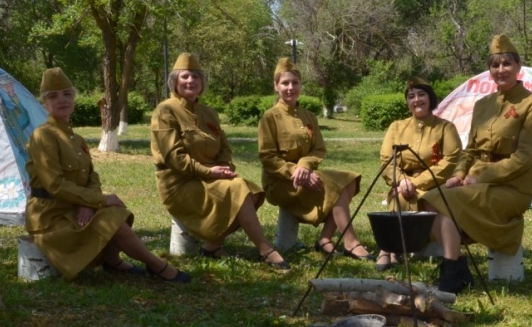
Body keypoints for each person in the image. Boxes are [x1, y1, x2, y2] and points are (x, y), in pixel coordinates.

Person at [25, 67, 189, 283]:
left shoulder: (76, 139)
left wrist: (89, 204)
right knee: (112, 216)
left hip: (74, 209)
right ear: (44, 104)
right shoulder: (42, 135)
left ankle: (113, 262)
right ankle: (158, 266)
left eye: (67, 94)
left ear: (73, 99)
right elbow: (55, 185)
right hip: (51, 218)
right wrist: (97, 200)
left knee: (116, 212)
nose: (62, 100)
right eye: (53, 96)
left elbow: (91, 177)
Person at [419, 35, 532, 294]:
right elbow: (471, 149)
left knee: (445, 201)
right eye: (495, 65)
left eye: (507, 64)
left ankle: (453, 273)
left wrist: (481, 176)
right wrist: (458, 173)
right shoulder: (483, 105)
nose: (501, 70)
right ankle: (455, 268)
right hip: (476, 181)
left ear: (518, 66)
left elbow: (523, 157)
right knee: (431, 199)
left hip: (513, 187)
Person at [151, 53, 288, 269]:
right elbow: (174, 158)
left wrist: (223, 167)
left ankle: (212, 246)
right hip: (179, 182)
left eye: (196, 77)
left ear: (202, 82)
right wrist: (209, 172)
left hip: (210, 177)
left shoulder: (209, 112)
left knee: (252, 193)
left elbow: (224, 147)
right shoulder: (165, 111)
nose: (191, 81)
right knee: (239, 188)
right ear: (174, 81)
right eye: (185, 76)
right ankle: (266, 249)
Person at [258, 57, 373, 261]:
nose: (290, 88)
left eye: (295, 82)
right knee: (336, 186)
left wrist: (305, 166)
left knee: (349, 181)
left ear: (301, 85)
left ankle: (325, 239)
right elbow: (267, 157)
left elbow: (319, 149)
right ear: (276, 86)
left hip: (306, 175)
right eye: (285, 83)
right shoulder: (270, 117)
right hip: (279, 182)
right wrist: (296, 171)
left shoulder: (309, 116)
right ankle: (350, 242)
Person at [376, 77, 461, 271]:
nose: (417, 100)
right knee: (398, 196)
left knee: (427, 200)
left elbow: (450, 161)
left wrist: (417, 182)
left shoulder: (445, 127)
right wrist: (403, 180)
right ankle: (389, 248)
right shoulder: (396, 127)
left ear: (430, 98)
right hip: (402, 184)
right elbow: (386, 160)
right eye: (411, 96)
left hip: (434, 184)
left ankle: (395, 247)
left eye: (421, 95)